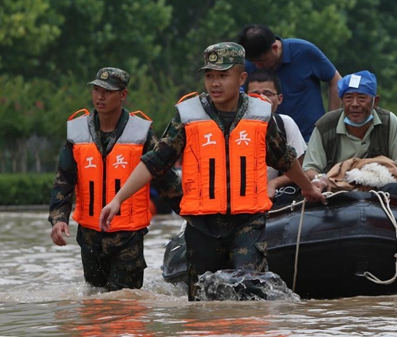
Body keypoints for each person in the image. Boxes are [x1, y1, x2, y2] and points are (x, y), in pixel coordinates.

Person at [98, 42, 325, 301]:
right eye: (209, 76)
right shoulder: (188, 115)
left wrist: (308, 188)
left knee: (249, 295)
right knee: (203, 303)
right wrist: (118, 199)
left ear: (241, 78)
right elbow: (154, 161)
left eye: (222, 75)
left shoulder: (260, 114)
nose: (214, 83)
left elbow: (284, 159)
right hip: (202, 225)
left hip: (247, 222)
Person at [48, 67, 181, 291]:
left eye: (108, 91)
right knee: (95, 301)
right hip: (89, 234)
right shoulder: (78, 131)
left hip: (127, 234)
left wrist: (191, 214)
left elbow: (164, 178)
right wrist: (59, 218)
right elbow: (64, 179)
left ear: (123, 94)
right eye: (96, 90)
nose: (100, 97)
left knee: (125, 305)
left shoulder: (141, 132)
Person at [302, 70, 397, 196]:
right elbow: (310, 168)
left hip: (378, 193)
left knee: (395, 190)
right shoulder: (325, 126)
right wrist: (321, 178)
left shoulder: (389, 122)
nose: (354, 104)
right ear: (342, 101)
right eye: (348, 98)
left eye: (361, 98)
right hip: (336, 192)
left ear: (375, 101)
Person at [237, 24, 342, 142]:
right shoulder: (247, 65)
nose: (257, 66)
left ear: (275, 48)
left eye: (261, 61)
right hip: (270, 141)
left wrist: (330, 124)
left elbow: (335, 80)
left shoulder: (305, 52)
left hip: (311, 138)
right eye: (253, 62)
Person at [244, 69, 307, 206]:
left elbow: (300, 167)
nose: (262, 99)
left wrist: (274, 183)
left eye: (268, 94)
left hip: (271, 200)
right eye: (255, 95)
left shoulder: (284, 124)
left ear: (279, 99)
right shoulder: (234, 125)